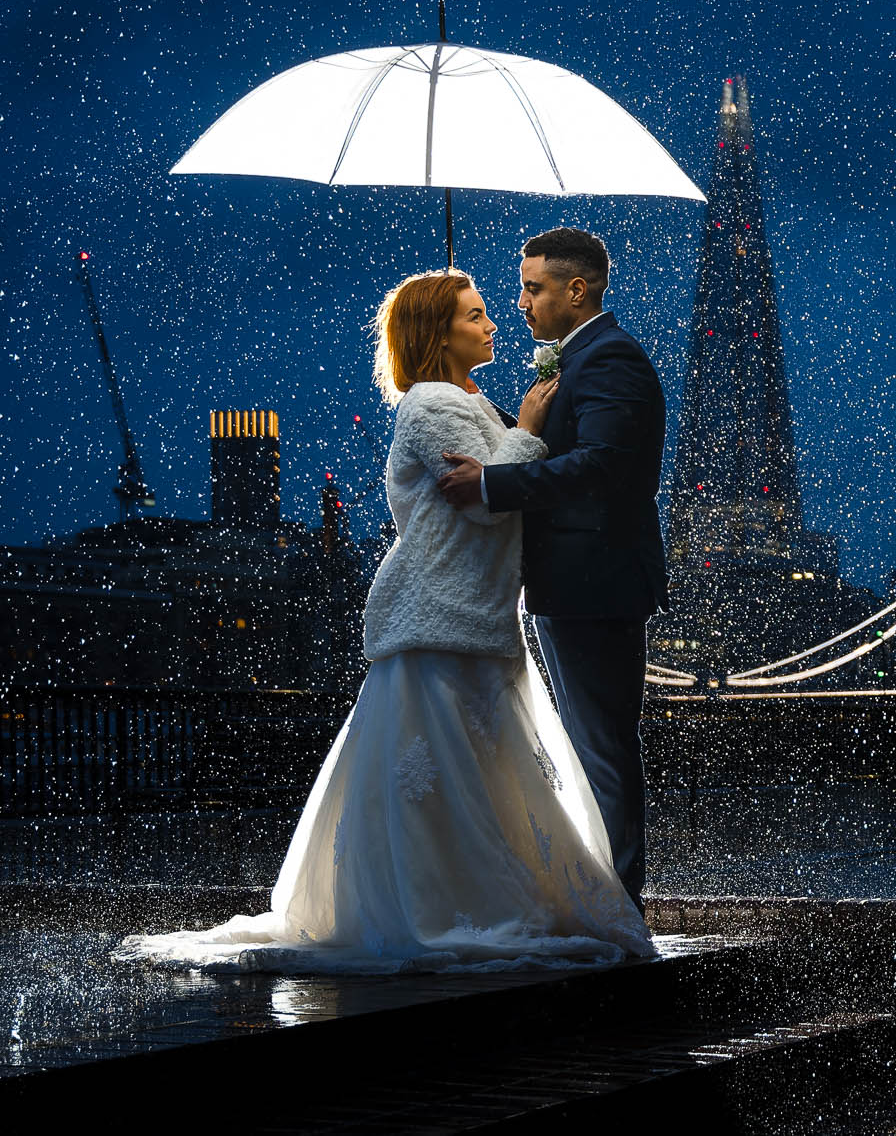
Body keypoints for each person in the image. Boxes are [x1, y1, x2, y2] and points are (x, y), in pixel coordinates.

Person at [117, 271, 655, 974]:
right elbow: (486, 497)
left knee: (471, 784)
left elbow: (497, 478)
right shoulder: (432, 405)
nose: (496, 323)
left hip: (474, 616)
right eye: (476, 314)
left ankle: (477, 897)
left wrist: (512, 427)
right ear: (439, 335)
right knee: (450, 782)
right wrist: (525, 425)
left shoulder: (463, 399)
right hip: (440, 614)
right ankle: (447, 906)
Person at [437, 228, 667, 907]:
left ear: (578, 288)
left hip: (592, 583)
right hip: (572, 583)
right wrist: (501, 418)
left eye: (533, 287)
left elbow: (601, 466)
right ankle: (607, 895)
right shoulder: (578, 359)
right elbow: (566, 446)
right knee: (593, 745)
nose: (520, 303)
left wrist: (491, 484)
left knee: (602, 747)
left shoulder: (610, 358)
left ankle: (619, 903)